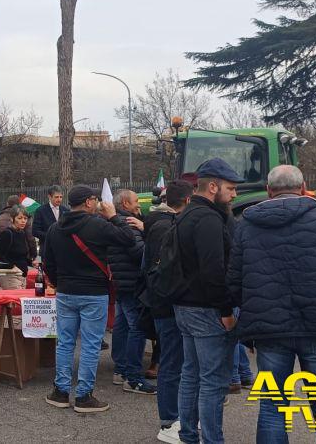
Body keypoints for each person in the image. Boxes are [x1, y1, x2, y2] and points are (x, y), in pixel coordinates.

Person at [228, 165, 316, 443]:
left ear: (269, 191)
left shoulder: (246, 225)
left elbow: (234, 279)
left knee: (272, 408)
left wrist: (239, 310)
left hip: (269, 331)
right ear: (304, 186)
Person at [43, 185, 135, 413]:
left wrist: (58, 282)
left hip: (65, 291)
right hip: (93, 292)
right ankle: (84, 395)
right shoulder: (98, 225)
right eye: (95, 199)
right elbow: (128, 239)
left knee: (64, 342)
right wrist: (113, 216)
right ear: (88, 202)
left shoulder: (55, 228)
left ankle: (61, 391)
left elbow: (48, 262)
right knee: (91, 345)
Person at [173, 157, 242, 444]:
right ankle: (212, 440)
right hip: (207, 309)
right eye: (230, 187)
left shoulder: (185, 214)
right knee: (213, 382)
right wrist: (225, 310)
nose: (234, 194)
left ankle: (189, 435)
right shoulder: (210, 220)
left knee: (191, 374)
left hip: (184, 306)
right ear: (213, 187)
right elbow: (214, 270)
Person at [143, 179, 193, 443]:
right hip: (169, 304)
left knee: (174, 362)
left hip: (162, 302)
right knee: (173, 363)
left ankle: (174, 416)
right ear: (186, 201)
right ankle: (170, 419)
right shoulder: (168, 228)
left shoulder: (155, 225)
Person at [108, 189, 155, 395]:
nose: (139, 204)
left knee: (122, 324)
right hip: (132, 282)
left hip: (122, 281)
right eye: (136, 201)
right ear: (125, 203)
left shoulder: (116, 223)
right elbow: (141, 253)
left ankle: (120, 369)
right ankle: (133, 377)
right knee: (137, 327)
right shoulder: (130, 224)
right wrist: (149, 234)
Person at [0, 205, 36, 289]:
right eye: (20, 218)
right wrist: (12, 266)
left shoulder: (22, 233)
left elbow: (21, 255)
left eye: (25, 218)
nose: (23, 221)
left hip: (22, 275)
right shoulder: (7, 233)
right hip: (11, 276)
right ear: (12, 219)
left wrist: (31, 262)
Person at [33, 185, 70, 255]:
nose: (59, 199)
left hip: (63, 250)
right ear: (49, 197)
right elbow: (35, 231)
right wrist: (51, 236)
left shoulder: (66, 210)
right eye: (56, 197)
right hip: (47, 249)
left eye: (61, 197)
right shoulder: (40, 211)